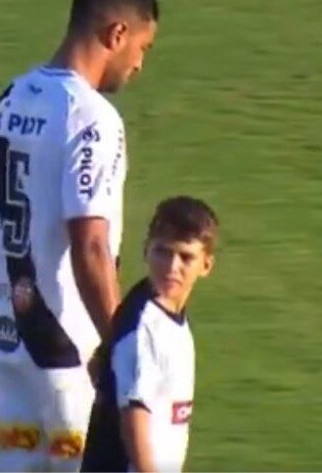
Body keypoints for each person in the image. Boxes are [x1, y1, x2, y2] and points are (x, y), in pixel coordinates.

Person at [0, 0, 159, 471]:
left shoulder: (11, 96)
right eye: (143, 48)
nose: (140, 65)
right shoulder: (92, 118)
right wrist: (120, 342)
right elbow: (91, 245)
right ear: (116, 34)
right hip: (63, 344)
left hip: (4, 332)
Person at [81, 196, 219, 472]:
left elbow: (97, 366)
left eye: (186, 257)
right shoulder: (145, 327)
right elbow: (135, 418)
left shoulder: (153, 307)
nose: (172, 267)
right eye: (162, 252)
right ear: (146, 251)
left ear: (206, 265)